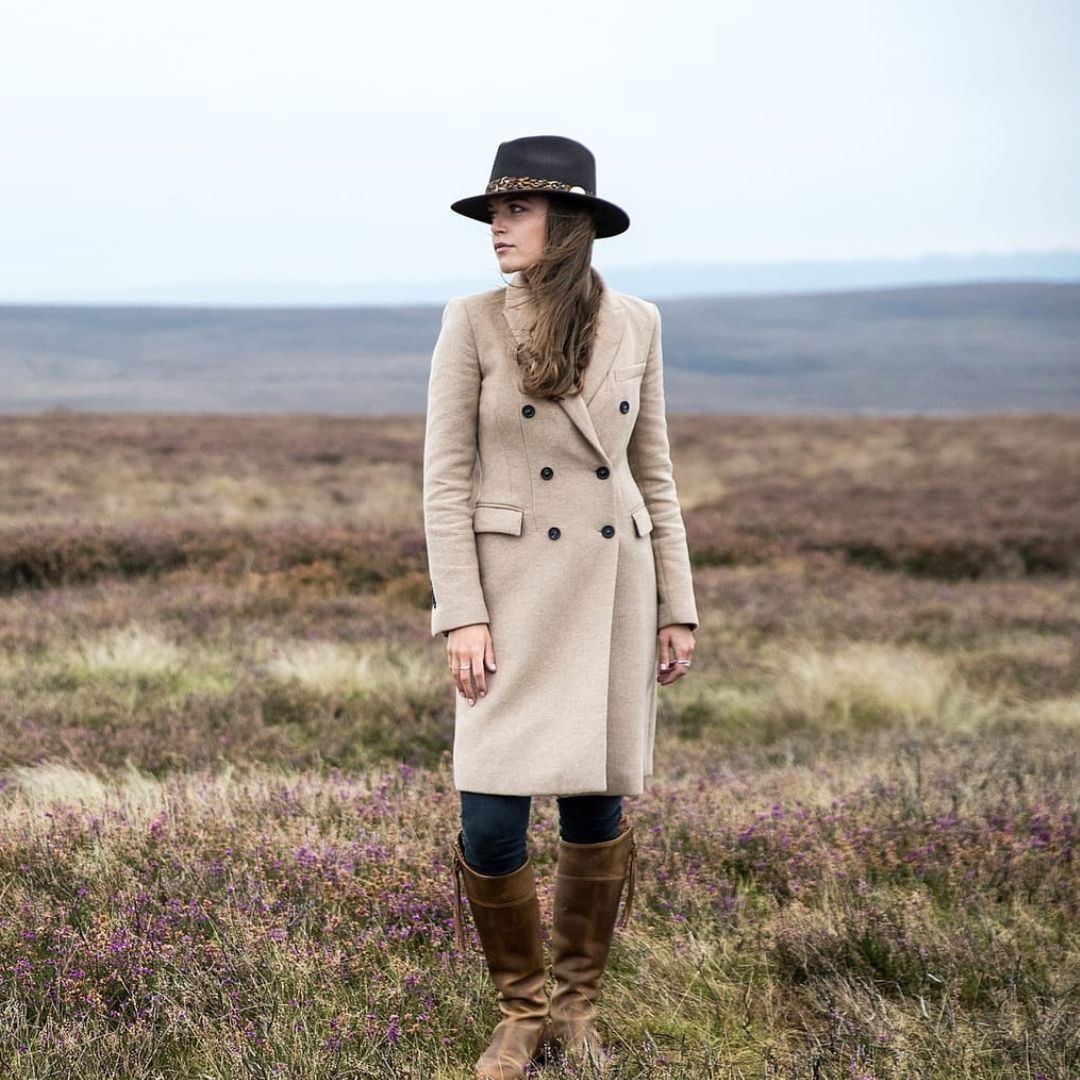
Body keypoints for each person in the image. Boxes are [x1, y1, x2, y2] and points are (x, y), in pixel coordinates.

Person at [422, 135, 699, 1080]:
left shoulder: (640, 323)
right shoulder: (470, 322)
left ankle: (573, 1012)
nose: (497, 227)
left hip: (614, 585)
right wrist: (461, 611)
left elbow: (652, 472)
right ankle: (519, 1011)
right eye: (494, 213)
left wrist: (678, 605)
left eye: (516, 211)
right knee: (490, 819)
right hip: (508, 597)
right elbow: (444, 481)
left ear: (567, 223)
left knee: (595, 806)